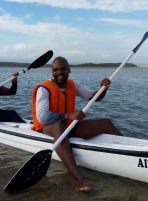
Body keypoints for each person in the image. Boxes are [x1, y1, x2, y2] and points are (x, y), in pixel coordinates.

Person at [32, 56, 123, 192]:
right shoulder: (43, 89)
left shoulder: (73, 84)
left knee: (106, 123)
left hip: (69, 125)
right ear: (52, 72)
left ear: (69, 70)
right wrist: (68, 115)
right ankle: (79, 179)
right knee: (59, 126)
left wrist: (103, 88)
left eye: (63, 69)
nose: (59, 72)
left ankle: (129, 156)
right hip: (47, 127)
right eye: (55, 70)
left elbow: (93, 97)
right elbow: (42, 117)